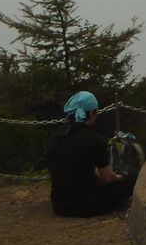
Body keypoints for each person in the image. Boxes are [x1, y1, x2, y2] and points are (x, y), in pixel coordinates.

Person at [47, 90, 135, 218]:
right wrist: (121, 177)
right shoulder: (94, 139)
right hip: (85, 206)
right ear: (93, 113)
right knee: (132, 178)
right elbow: (108, 178)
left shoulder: (55, 138)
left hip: (59, 206)